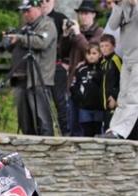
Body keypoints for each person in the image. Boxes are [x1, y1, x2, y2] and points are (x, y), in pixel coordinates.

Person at [6, 0, 57, 136]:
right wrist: (9, 40)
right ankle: (30, 149)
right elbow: (13, 47)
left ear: (39, 8)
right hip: (22, 78)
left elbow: (42, 43)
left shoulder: (47, 24)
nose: (25, 14)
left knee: (42, 118)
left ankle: (48, 150)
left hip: (39, 78)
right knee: (25, 120)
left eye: (28, 10)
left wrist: (19, 38)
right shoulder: (25, 27)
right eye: (23, 11)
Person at [61, 0, 103, 136]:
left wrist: (78, 35)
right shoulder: (75, 32)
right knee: (72, 123)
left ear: (93, 15)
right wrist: (66, 35)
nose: (83, 16)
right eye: (80, 13)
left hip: (91, 87)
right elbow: (62, 52)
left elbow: (91, 52)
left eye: (86, 13)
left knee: (86, 127)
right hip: (74, 83)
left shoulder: (99, 32)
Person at [104, 0, 138, 139]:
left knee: (134, 97)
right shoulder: (122, 4)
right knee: (122, 96)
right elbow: (112, 25)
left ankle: (121, 132)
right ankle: (113, 129)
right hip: (127, 57)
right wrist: (117, 5)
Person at [42, 0, 70, 135]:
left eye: (48, 0)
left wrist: (66, 62)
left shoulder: (61, 18)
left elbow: (70, 44)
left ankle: (65, 133)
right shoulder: (36, 20)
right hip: (41, 68)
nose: (44, 3)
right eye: (42, 1)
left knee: (60, 103)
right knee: (42, 104)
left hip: (57, 66)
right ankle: (46, 134)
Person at [70, 43, 105, 136]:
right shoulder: (81, 69)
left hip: (99, 108)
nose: (91, 56)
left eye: (94, 53)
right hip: (84, 108)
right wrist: (80, 99)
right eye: (89, 54)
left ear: (100, 54)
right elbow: (74, 85)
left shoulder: (103, 68)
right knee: (86, 132)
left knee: (98, 132)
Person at [99, 34, 122, 130]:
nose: (104, 49)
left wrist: (115, 96)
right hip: (105, 102)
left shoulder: (116, 60)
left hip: (113, 101)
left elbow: (122, 80)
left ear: (113, 46)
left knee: (112, 127)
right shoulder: (103, 62)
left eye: (107, 46)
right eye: (102, 46)